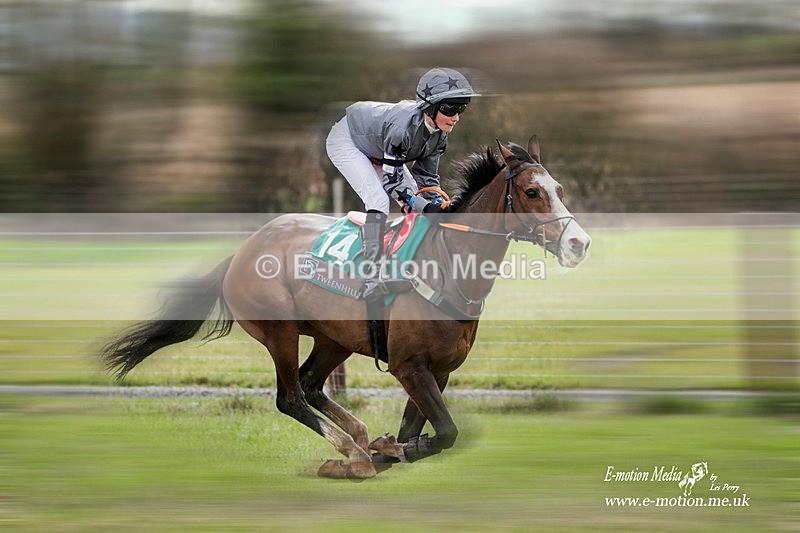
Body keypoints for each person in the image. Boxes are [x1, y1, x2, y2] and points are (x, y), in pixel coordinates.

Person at [325, 67, 480, 364]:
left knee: (417, 204)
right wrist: (424, 206)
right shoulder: (402, 130)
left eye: (461, 109)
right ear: (430, 108)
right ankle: (372, 275)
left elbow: (427, 180)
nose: (456, 117)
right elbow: (393, 184)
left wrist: (439, 205)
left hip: (377, 144)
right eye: (450, 109)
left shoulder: (439, 135)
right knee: (378, 201)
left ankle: (406, 264)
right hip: (349, 140)